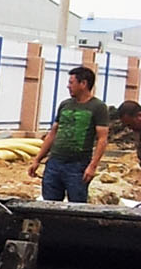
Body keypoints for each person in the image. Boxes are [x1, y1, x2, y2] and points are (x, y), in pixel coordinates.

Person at [28, 65, 110, 203]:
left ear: (83, 84)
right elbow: (52, 134)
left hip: (77, 166)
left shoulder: (98, 107)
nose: (68, 86)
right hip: (55, 162)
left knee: (77, 205)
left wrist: (92, 166)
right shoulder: (65, 105)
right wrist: (37, 159)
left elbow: (102, 139)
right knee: (49, 204)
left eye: (71, 82)